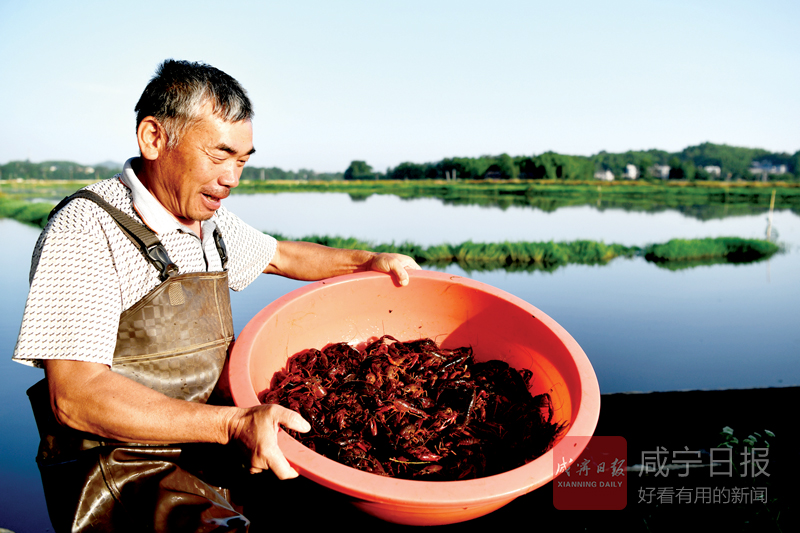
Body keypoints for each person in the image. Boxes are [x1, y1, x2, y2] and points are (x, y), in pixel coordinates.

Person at [13, 59, 419, 532]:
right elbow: (77, 396)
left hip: (212, 445)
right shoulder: (87, 226)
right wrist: (232, 424)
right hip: (122, 470)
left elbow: (283, 256)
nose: (232, 178)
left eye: (243, 161)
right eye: (219, 154)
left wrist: (368, 261)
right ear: (153, 138)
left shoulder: (211, 224)